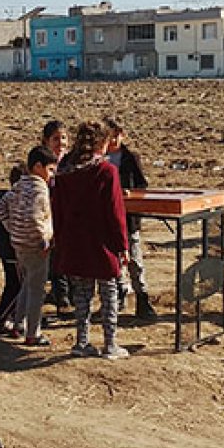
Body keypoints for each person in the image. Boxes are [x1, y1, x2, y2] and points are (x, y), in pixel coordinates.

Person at [52, 121, 130, 360]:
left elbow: (57, 209)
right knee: (109, 293)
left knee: (82, 295)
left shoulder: (66, 171)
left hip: (74, 241)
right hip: (102, 242)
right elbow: (115, 212)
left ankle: (81, 341)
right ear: (101, 143)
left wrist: (61, 240)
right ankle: (110, 344)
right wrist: (122, 245)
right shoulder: (106, 172)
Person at [0, 145, 58, 347]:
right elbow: (34, 217)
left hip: (19, 244)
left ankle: (17, 324)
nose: (52, 174)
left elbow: (0, 206)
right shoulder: (40, 188)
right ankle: (33, 333)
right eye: (50, 169)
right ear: (39, 166)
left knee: (26, 285)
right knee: (37, 290)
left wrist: (12, 228)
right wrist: (44, 239)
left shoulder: (19, 185)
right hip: (36, 247)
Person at [104, 117, 156, 320]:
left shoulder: (130, 158)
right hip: (107, 217)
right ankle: (118, 296)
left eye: (117, 135)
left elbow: (142, 185)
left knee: (134, 259)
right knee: (112, 260)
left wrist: (130, 193)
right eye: (110, 136)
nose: (114, 140)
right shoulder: (100, 158)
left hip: (129, 218)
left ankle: (142, 299)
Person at [41, 120, 73, 311]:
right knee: (53, 256)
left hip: (68, 215)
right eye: (55, 139)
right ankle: (60, 295)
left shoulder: (70, 161)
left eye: (63, 138)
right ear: (46, 141)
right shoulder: (42, 161)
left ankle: (66, 295)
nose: (60, 143)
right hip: (48, 215)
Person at [0, 165, 24, 335]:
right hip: (13, 251)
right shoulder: (12, 201)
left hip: (8, 250)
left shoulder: (3, 198)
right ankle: (2, 317)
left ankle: (14, 317)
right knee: (17, 286)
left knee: (15, 284)